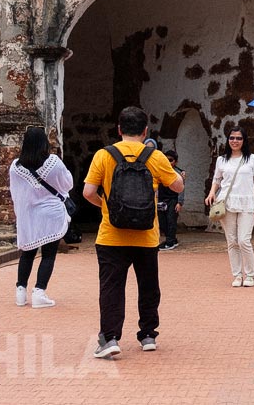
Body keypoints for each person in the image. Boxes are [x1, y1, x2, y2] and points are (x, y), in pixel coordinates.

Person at [83, 106, 183, 359]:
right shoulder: (155, 156)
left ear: (119, 129)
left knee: (111, 288)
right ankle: (148, 334)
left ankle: (109, 338)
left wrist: (106, 206)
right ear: (145, 131)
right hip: (146, 235)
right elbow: (177, 186)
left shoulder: (104, 155)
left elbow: (88, 192)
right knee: (148, 286)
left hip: (111, 235)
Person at [8, 126, 73, 308]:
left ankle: (20, 292)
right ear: (44, 142)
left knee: (27, 253)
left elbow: (15, 192)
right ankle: (39, 292)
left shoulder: (15, 167)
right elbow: (68, 183)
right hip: (50, 214)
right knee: (48, 255)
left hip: (29, 216)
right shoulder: (54, 162)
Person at [205, 126, 254, 287]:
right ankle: (237, 275)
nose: (235, 141)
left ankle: (250, 275)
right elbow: (217, 180)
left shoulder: (251, 159)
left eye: (239, 138)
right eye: (232, 138)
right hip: (227, 202)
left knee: (244, 240)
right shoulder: (222, 160)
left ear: (244, 141)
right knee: (232, 241)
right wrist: (212, 193)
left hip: (247, 203)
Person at [158, 149, 185, 250]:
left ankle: (170, 242)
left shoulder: (178, 173)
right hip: (161, 199)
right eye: (166, 159)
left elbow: (182, 189)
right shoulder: (160, 170)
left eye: (171, 160)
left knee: (171, 220)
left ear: (175, 162)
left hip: (173, 200)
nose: (168, 162)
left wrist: (180, 203)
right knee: (162, 221)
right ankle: (172, 239)